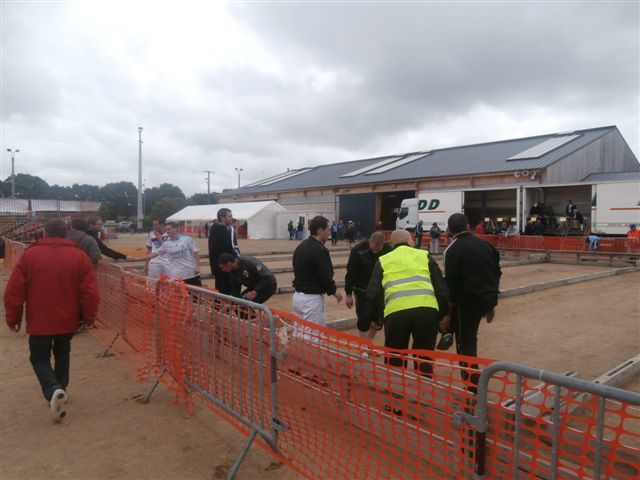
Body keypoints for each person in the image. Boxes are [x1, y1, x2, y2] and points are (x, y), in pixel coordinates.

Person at [4, 219, 99, 423]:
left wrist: (13, 318)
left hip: (39, 320)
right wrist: (89, 318)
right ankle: (60, 389)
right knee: (63, 352)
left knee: (38, 358)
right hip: (68, 318)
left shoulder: (30, 255)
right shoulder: (80, 256)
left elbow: (14, 290)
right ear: (66, 233)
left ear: (44, 233)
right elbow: (91, 293)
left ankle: (53, 389)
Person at [366, 229, 449, 376]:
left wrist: (376, 319)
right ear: (409, 241)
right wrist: (443, 314)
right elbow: (441, 288)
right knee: (424, 357)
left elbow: (372, 294)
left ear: (392, 244)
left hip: (396, 313)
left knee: (395, 357)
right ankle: (423, 390)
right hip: (427, 311)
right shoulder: (424, 255)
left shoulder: (383, 260)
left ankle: (397, 393)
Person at [441, 213, 501, 391]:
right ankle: (473, 383)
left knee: (465, 344)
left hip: (466, 304)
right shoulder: (487, 245)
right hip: (486, 299)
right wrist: (492, 303)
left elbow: (450, 284)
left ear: (450, 230)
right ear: (468, 227)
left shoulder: (451, 250)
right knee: (469, 340)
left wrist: (447, 314)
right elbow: (496, 273)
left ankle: (473, 387)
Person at [292, 216, 343, 340]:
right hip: (311, 299)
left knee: (298, 332)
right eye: (327, 230)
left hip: (297, 297)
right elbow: (325, 275)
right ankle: (309, 359)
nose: (329, 233)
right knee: (313, 335)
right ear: (320, 231)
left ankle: (298, 357)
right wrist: (334, 290)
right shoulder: (320, 250)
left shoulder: (301, 246)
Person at [344, 232, 392, 343]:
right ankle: (364, 345)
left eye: (378, 250)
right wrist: (348, 294)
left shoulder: (388, 250)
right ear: (370, 242)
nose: (375, 252)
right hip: (362, 288)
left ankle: (369, 342)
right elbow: (351, 273)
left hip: (381, 290)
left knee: (379, 320)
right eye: (373, 249)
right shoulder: (358, 250)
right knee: (364, 318)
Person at [140, 222, 202, 286]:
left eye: (169, 229)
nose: (167, 231)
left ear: (176, 229)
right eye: (166, 229)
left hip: (192, 273)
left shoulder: (187, 239)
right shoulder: (166, 244)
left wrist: (197, 266)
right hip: (178, 276)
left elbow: (196, 251)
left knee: (196, 294)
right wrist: (137, 259)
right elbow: (154, 254)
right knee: (181, 295)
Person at [208, 208, 239, 294]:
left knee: (220, 289)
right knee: (225, 290)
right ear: (222, 218)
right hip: (225, 266)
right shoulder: (221, 230)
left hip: (219, 265)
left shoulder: (216, 229)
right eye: (229, 216)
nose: (232, 218)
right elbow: (229, 248)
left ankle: (218, 306)